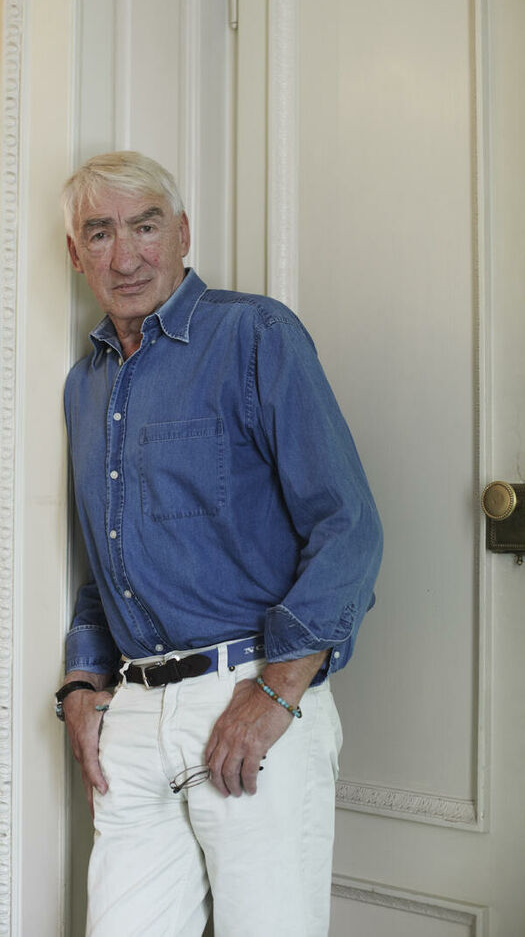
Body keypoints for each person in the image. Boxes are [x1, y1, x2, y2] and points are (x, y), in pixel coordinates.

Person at [55, 150, 382, 937]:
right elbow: (107, 558)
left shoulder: (252, 334)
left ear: (183, 233)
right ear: (75, 253)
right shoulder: (85, 382)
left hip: (250, 696)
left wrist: (273, 693)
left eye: (145, 225)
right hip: (130, 720)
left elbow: (348, 526)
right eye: (99, 232)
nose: (125, 255)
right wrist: (79, 680)